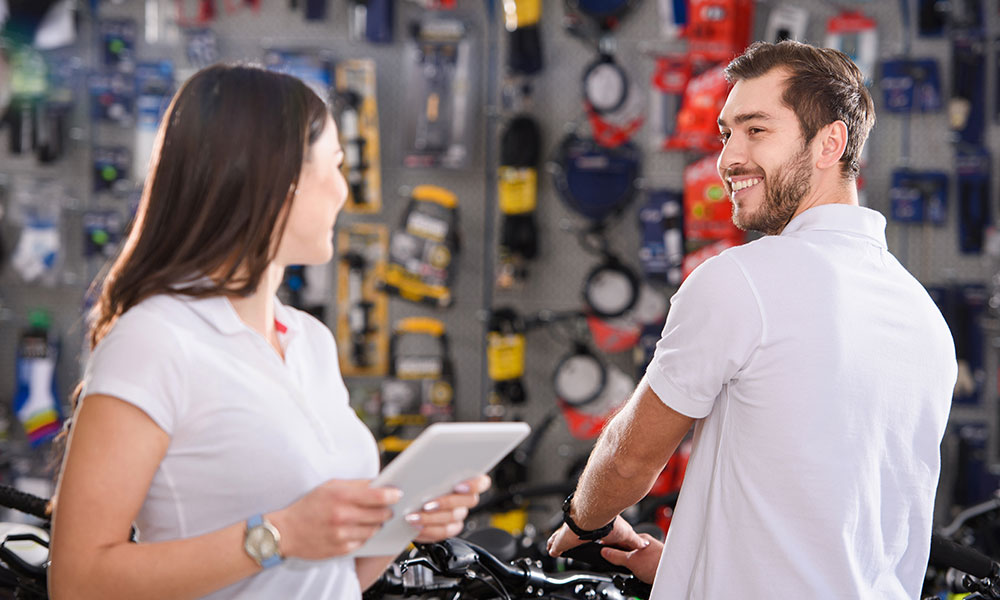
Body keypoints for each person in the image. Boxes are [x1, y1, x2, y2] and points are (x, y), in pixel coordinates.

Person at [47, 63, 490, 600]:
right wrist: (278, 535)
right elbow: (77, 582)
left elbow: (333, 579)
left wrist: (403, 524)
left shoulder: (309, 341)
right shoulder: (155, 341)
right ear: (277, 180)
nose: (344, 193)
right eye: (336, 165)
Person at [547, 40, 957, 599]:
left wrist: (583, 521)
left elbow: (630, 459)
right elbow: (833, 516)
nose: (728, 157)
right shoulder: (923, 316)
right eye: (725, 133)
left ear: (829, 143)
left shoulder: (739, 281)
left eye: (756, 130)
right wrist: (690, 563)